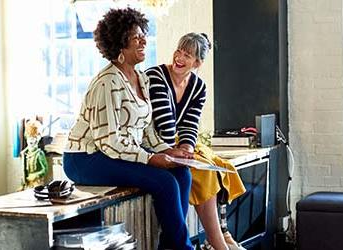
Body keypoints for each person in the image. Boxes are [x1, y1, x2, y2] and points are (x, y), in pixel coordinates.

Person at [63, 8, 194, 250]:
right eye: (137, 37)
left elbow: (146, 131)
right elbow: (109, 142)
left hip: (114, 152)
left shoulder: (141, 78)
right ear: (120, 45)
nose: (144, 40)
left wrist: (170, 151)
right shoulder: (107, 83)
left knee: (182, 174)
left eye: (144, 34)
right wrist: (152, 159)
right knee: (164, 181)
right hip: (86, 158)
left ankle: (171, 246)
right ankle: (182, 248)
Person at [146, 33, 246, 250]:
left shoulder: (198, 87)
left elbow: (190, 125)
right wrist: (178, 151)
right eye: (179, 51)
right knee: (203, 171)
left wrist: (187, 147)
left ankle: (222, 234)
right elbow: (164, 123)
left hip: (178, 142)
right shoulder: (155, 75)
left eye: (187, 55)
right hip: (155, 142)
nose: (179, 58)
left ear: (198, 63)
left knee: (219, 165)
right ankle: (218, 241)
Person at [20, 118, 49, 190]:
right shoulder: (25, 154)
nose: (31, 140)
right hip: (27, 184)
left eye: (34, 137)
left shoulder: (39, 154)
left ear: (38, 138)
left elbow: (45, 169)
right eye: (30, 137)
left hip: (37, 183)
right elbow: (24, 172)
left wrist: (36, 176)